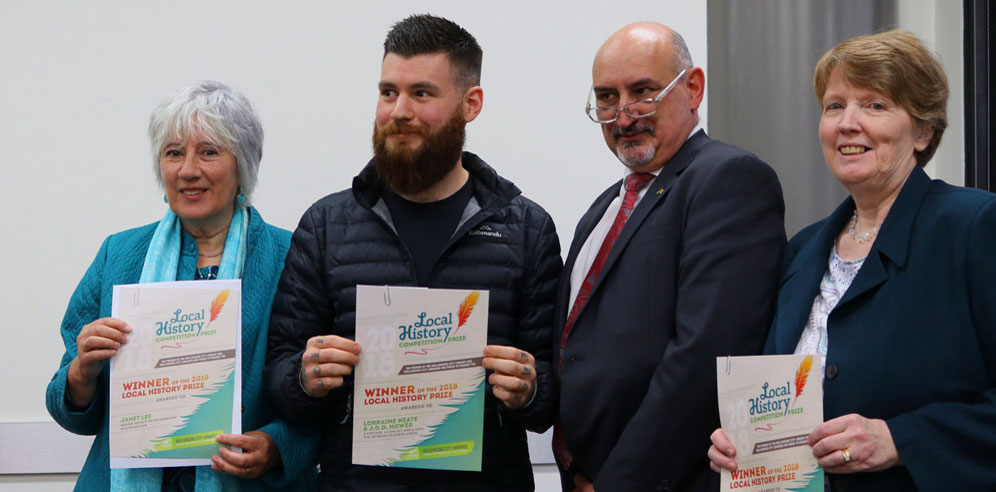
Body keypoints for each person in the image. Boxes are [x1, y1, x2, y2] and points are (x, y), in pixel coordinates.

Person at [263, 14, 562, 492]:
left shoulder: (527, 230)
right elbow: (279, 372)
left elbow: (551, 395)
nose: (398, 110)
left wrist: (530, 389)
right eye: (388, 92)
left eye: (421, 94)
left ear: (470, 104)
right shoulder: (326, 226)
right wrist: (304, 377)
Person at [707, 29, 996, 491]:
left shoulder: (974, 226)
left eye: (875, 105)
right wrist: (741, 438)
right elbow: (779, 395)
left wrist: (900, 438)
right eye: (834, 106)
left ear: (922, 131)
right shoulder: (802, 250)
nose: (846, 123)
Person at [45, 81, 318, 492]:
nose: (188, 170)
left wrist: (276, 447)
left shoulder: (292, 256)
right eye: (174, 153)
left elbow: (325, 397)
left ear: (242, 164)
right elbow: (68, 405)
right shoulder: (119, 255)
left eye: (208, 151)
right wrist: (82, 372)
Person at [553, 22, 785, 492]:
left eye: (643, 93)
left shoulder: (728, 179)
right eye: (606, 98)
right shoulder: (604, 207)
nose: (623, 116)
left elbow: (704, 361)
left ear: (693, 88)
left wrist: (618, 483)